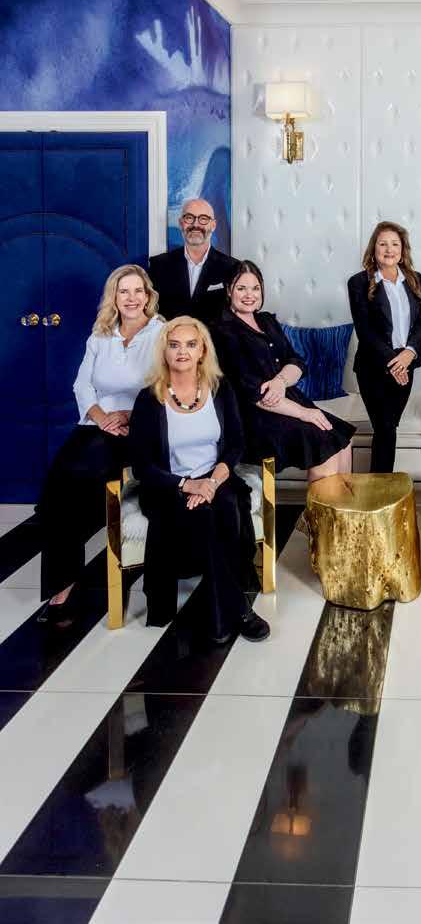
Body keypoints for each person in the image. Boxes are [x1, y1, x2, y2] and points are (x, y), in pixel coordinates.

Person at [35, 265, 164, 624]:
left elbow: (165, 386)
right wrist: (101, 416)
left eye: (138, 291)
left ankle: (64, 590)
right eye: (124, 291)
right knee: (55, 490)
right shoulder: (100, 335)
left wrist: (127, 414)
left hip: (139, 428)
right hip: (95, 424)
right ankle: (64, 582)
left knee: (74, 488)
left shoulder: (161, 332)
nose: (132, 298)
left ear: (148, 295)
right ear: (114, 297)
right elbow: (82, 385)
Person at [129, 315, 269, 643]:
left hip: (215, 478)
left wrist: (211, 483)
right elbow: (142, 465)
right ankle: (237, 611)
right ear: (164, 352)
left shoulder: (220, 389)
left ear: (202, 351)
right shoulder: (149, 399)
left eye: (191, 345)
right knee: (207, 516)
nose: (182, 352)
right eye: (174, 345)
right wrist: (187, 485)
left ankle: (222, 614)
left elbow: (235, 445)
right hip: (169, 486)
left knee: (226, 507)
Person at [214, 262, 355, 479]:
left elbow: (296, 361)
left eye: (255, 288)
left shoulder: (267, 321)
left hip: (287, 398)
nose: (249, 295)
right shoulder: (223, 331)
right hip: (255, 414)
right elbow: (252, 393)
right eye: (241, 288)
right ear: (228, 290)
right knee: (325, 446)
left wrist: (280, 381)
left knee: (344, 440)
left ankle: (341, 501)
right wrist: (305, 413)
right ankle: (323, 503)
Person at [347, 221, 421, 472]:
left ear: (403, 250)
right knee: (384, 427)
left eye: (395, 244)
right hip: (373, 367)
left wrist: (409, 353)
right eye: (383, 244)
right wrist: (394, 363)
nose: (389, 249)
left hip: (407, 363)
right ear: (374, 249)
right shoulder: (358, 282)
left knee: (388, 427)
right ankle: (381, 487)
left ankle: (381, 487)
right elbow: (365, 330)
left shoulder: (416, 280)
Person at [147, 198, 237, 327]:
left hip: (215, 339)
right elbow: (150, 312)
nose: (196, 224)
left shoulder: (232, 267)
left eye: (203, 219)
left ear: (213, 225)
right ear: (181, 223)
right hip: (170, 337)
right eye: (189, 218)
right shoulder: (158, 265)